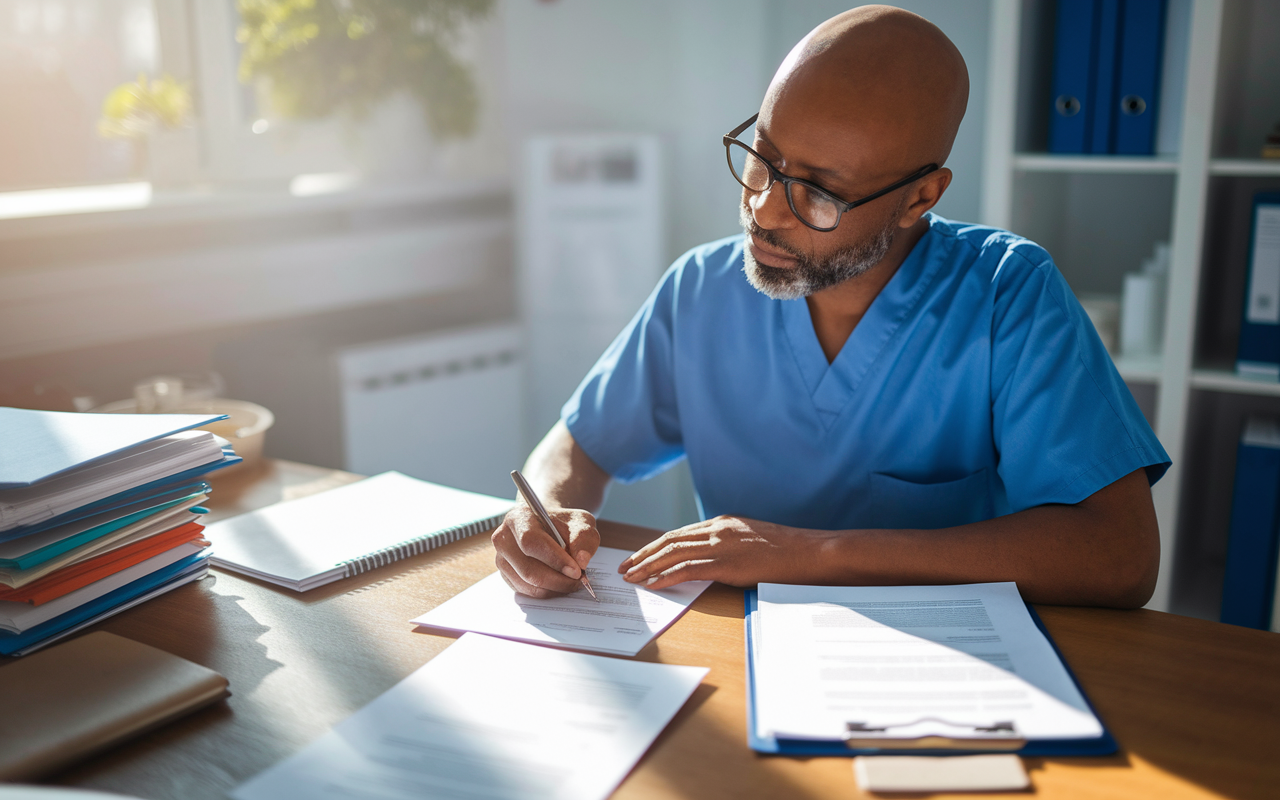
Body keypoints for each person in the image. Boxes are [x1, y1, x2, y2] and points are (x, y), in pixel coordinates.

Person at [492, 5, 1169, 609]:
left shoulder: (1006, 293)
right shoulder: (701, 289)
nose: (762, 209)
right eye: (763, 158)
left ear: (920, 199)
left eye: (817, 194)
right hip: (734, 664)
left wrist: (810, 555)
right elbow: (581, 443)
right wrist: (547, 507)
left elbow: (1120, 556)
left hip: (948, 668)